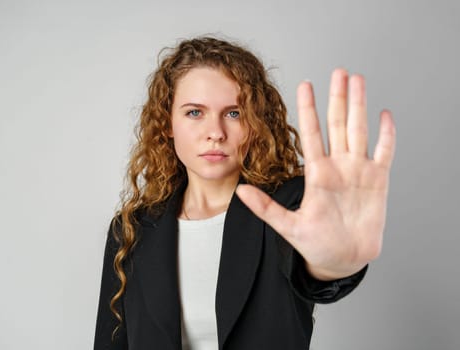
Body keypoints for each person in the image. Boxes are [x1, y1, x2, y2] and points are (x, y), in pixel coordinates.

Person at [93, 36, 396, 350]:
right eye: (194, 112)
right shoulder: (131, 229)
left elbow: (317, 267)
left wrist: (335, 267)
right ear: (167, 122)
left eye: (234, 113)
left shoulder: (290, 207)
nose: (216, 133)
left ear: (255, 123)